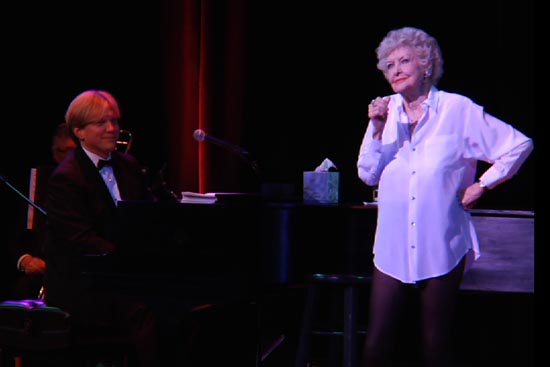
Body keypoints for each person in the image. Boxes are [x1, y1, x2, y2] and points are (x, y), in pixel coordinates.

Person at [357, 27, 533, 367]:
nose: (395, 70)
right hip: (392, 245)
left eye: (404, 60)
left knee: (435, 346)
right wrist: (377, 130)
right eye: (389, 64)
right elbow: (367, 174)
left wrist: (483, 183)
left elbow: (518, 144)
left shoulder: (457, 110)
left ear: (426, 65)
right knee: (375, 347)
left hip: (441, 242)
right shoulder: (385, 112)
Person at [43, 90, 160, 366]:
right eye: (102, 123)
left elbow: (149, 218)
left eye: (115, 122)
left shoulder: (129, 166)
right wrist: (132, 262)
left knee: (185, 305)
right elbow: (81, 240)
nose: (112, 129)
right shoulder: (66, 178)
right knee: (151, 314)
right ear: (79, 131)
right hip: (85, 285)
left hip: (123, 276)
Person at [8, 123, 77, 300]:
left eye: (71, 152)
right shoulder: (39, 181)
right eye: (61, 152)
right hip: (39, 274)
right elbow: (12, 235)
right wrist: (25, 260)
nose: (65, 158)